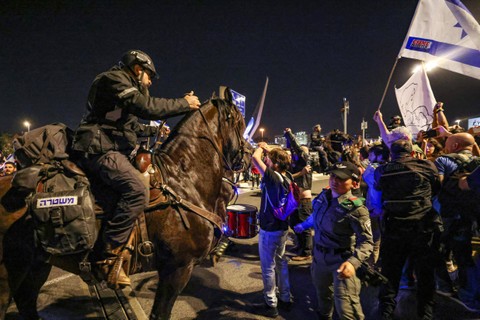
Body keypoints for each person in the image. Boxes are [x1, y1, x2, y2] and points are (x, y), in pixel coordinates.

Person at [72, 49, 200, 288]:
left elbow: (132, 126)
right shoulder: (113, 79)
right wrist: (184, 103)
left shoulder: (125, 92)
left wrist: (155, 131)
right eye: (149, 76)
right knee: (136, 191)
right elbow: (145, 106)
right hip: (98, 148)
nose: (150, 82)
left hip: (111, 146)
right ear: (138, 69)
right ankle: (108, 258)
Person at [294, 161, 373, 320]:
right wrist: (303, 226)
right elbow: (315, 216)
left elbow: (367, 241)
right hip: (319, 259)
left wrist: (353, 263)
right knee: (323, 298)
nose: (334, 180)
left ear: (354, 183)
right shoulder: (324, 196)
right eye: (333, 176)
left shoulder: (356, 208)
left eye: (341, 178)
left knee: (346, 308)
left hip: (341, 261)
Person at [374, 139, 442, 320]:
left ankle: (386, 312)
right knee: (425, 274)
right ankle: (425, 314)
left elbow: (378, 187)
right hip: (423, 228)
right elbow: (436, 189)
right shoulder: (427, 166)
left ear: (392, 154)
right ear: (412, 152)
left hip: (394, 228)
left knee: (390, 274)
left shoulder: (382, 171)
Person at [251, 142, 293, 318]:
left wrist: (261, 146)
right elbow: (277, 159)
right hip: (282, 227)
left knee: (268, 266)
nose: (266, 159)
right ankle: (285, 297)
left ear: (275, 163)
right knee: (281, 262)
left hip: (269, 229)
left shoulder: (272, 177)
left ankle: (271, 304)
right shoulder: (287, 176)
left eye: (269, 158)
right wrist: (272, 151)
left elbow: (254, 158)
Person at [284, 128, 313, 261]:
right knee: (294, 223)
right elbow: (289, 176)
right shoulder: (299, 168)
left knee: (304, 226)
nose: (297, 153)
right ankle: (301, 246)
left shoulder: (305, 160)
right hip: (297, 200)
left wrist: (290, 134)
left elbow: (297, 148)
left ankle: (306, 252)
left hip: (304, 201)